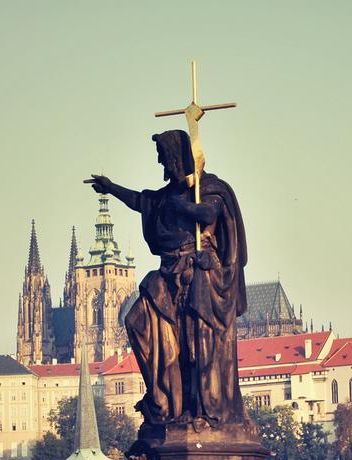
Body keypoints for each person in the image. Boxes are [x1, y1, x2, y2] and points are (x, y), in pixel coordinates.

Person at [89, 130, 249, 432]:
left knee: (196, 344)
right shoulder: (167, 195)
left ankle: (202, 408)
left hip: (200, 274)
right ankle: (164, 398)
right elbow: (141, 201)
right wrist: (111, 188)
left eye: (165, 160)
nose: (162, 166)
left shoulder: (208, 188)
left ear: (178, 159)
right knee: (137, 320)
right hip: (168, 271)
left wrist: (180, 204)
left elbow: (208, 211)